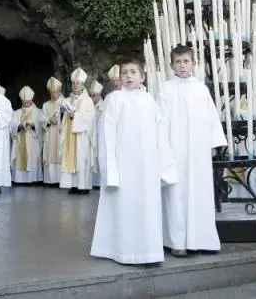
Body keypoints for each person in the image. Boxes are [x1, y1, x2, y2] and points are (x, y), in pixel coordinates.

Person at [91, 59, 177, 265]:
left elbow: (160, 134)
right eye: (124, 73)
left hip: (147, 165)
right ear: (119, 79)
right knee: (124, 207)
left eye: (133, 72)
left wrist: (164, 166)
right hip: (123, 164)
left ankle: (149, 252)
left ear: (143, 77)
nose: (128, 76)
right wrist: (110, 169)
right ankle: (122, 250)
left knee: (146, 208)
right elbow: (107, 134)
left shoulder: (149, 101)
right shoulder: (114, 99)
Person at [158, 45, 225, 256]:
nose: (182, 65)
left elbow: (211, 118)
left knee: (200, 192)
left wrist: (213, 144)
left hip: (198, 152)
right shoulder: (165, 88)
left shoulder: (201, 89)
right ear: (171, 65)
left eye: (186, 61)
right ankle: (177, 241)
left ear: (194, 64)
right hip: (174, 150)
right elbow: (159, 121)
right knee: (176, 194)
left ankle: (201, 239)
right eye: (178, 62)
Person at [59, 68, 96, 194]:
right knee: (71, 157)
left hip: (81, 135)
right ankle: (73, 185)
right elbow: (65, 118)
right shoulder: (68, 100)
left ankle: (83, 186)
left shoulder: (88, 100)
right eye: (74, 83)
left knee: (81, 158)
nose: (75, 85)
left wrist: (75, 115)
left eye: (78, 83)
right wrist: (64, 113)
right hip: (70, 134)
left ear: (83, 85)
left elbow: (89, 118)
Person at [10, 86, 45, 184]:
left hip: (33, 141)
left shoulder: (38, 112)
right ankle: (19, 179)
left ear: (32, 99)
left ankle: (33, 179)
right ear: (21, 100)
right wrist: (19, 127)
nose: (26, 103)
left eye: (28, 101)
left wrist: (34, 126)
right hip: (20, 140)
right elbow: (12, 126)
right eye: (24, 101)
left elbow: (44, 125)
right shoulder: (16, 113)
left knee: (32, 158)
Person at [41, 77, 64, 185]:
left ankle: (61, 180)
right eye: (51, 92)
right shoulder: (46, 105)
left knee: (61, 153)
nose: (53, 95)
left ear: (59, 91)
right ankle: (50, 180)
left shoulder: (65, 102)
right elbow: (42, 121)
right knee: (50, 152)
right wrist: (49, 121)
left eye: (55, 92)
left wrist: (59, 121)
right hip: (50, 135)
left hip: (60, 134)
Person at [90, 80, 104, 188]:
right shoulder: (89, 105)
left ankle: (99, 182)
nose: (92, 97)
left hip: (100, 136)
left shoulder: (103, 106)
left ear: (99, 95)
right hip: (91, 135)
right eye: (91, 95)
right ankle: (91, 182)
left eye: (94, 95)